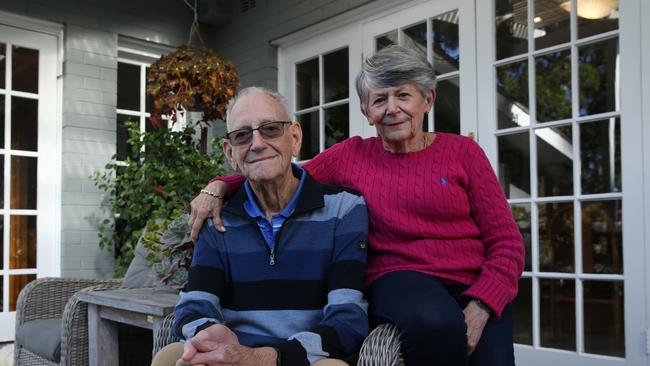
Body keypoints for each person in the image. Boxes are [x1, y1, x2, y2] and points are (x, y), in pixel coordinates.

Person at [188, 45, 525, 365]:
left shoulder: (463, 153)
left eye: (403, 95)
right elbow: (283, 171)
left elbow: (507, 243)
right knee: (435, 323)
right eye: (380, 99)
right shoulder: (350, 156)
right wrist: (220, 185)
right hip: (398, 279)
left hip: (472, 285)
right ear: (366, 112)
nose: (392, 108)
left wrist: (482, 304)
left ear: (428, 100)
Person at [153, 87, 369, 366]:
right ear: (230, 153)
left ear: (295, 138)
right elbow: (194, 305)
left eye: (270, 129)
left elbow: (348, 319)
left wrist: (267, 358)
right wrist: (211, 335)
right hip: (231, 356)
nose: (256, 144)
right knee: (169, 358)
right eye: (242, 135)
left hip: (307, 359)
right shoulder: (217, 216)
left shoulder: (344, 208)